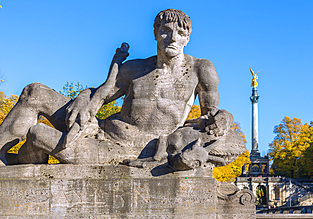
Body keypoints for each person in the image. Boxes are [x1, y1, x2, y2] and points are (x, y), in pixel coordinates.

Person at [0, 9, 244, 167]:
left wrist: (226, 117)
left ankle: (23, 163)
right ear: (156, 34)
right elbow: (102, 94)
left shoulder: (201, 69)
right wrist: (86, 95)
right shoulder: (135, 68)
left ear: (187, 38)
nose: (172, 38)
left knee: (37, 135)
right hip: (95, 126)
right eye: (166, 31)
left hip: (126, 147)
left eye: (180, 33)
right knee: (34, 92)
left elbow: (210, 117)